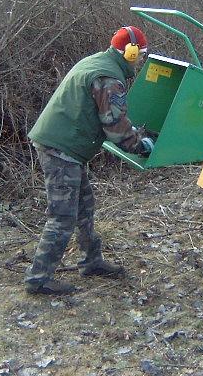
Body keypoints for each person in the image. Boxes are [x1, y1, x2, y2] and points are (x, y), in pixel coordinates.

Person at [24, 25, 155, 295]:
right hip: (61, 147)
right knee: (62, 216)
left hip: (67, 144)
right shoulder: (109, 78)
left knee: (85, 206)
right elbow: (113, 124)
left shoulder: (98, 61)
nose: (141, 59)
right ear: (130, 53)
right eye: (140, 54)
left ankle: (91, 261)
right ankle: (38, 279)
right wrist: (140, 145)